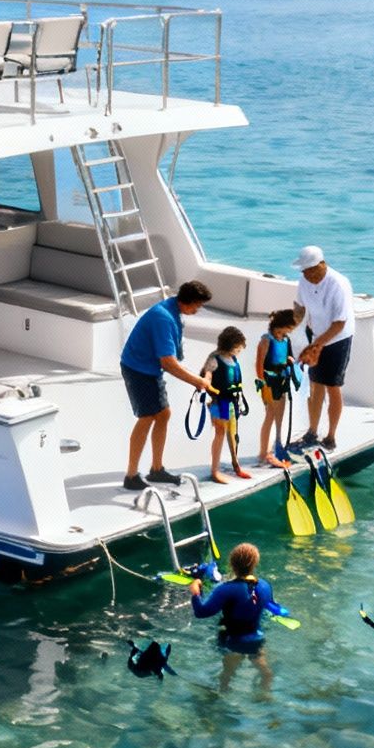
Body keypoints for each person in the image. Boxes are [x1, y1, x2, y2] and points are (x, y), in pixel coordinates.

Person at [119, 281, 215, 491]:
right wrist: (197, 381)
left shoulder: (174, 309)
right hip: (138, 369)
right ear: (188, 302)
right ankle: (131, 475)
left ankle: (156, 469)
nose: (198, 310)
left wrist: (195, 377)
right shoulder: (163, 318)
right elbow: (168, 363)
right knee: (147, 417)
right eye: (198, 305)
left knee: (163, 414)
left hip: (150, 368)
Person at [190, 543, 290, 692]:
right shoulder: (264, 586)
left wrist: (195, 592)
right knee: (264, 670)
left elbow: (201, 612)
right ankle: (265, 693)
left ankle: (222, 696)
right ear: (255, 564)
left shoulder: (225, 590)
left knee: (226, 677)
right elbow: (270, 605)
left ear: (231, 564)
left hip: (234, 641)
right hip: (256, 638)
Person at [290, 245, 355, 452]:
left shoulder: (338, 284)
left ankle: (330, 437)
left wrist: (316, 346)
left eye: (311, 270)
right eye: (304, 271)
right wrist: (291, 330)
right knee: (315, 383)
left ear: (322, 265)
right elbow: (299, 308)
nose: (308, 275)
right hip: (316, 333)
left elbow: (339, 323)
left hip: (338, 338)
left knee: (332, 385)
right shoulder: (304, 281)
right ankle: (312, 432)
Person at [199, 327, 252, 484]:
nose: (239, 351)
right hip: (218, 401)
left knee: (232, 434)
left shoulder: (233, 359)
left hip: (232, 402)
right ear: (230, 345)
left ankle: (236, 466)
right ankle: (215, 471)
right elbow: (207, 374)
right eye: (238, 348)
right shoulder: (214, 358)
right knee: (220, 433)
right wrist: (206, 382)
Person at [253, 309, 299, 468]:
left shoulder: (286, 339)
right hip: (269, 381)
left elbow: (289, 356)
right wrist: (262, 383)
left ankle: (278, 446)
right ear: (283, 325)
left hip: (282, 380)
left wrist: (291, 361)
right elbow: (259, 364)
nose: (292, 330)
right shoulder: (266, 340)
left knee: (280, 415)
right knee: (270, 415)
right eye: (290, 327)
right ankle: (263, 453)